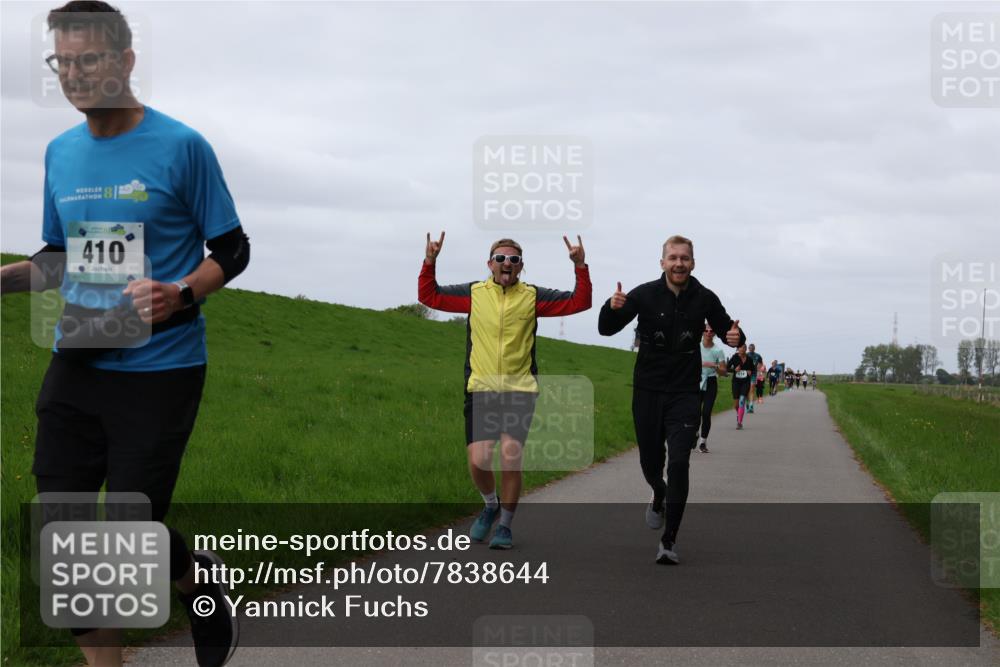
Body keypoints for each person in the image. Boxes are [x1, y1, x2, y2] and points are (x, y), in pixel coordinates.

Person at [0, 4, 249, 666]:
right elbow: (60, 256)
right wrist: (3, 280)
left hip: (161, 370)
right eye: (64, 62)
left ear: (125, 61)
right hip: (78, 361)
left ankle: (197, 578)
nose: (76, 74)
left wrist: (183, 291)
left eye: (90, 59)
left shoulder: (181, 146)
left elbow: (232, 246)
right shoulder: (60, 152)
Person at [418, 233, 591, 549]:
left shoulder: (533, 296)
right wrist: (430, 261)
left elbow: (580, 302)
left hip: (519, 390)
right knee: (479, 460)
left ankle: (506, 527)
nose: (506, 263)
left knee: (511, 458)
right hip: (481, 388)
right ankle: (490, 505)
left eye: (513, 259)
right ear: (490, 264)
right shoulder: (474, 293)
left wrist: (580, 266)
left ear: (521, 266)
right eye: (500, 258)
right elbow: (429, 297)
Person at [598, 235, 744, 565]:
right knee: (651, 464)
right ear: (662, 262)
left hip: (685, 393)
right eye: (673, 258)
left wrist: (737, 338)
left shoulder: (704, 297)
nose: (679, 263)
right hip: (648, 390)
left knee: (679, 462)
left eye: (685, 258)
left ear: (693, 263)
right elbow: (606, 330)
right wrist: (612, 307)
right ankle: (658, 492)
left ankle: (669, 540)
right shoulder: (643, 294)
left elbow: (728, 330)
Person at [696, 323, 728, 453]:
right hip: (696, 381)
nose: (708, 332)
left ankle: (703, 442)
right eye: (706, 330)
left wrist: (714, 366)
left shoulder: (718, 351)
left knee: (706, 412)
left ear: (714, 334)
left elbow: (724, 372)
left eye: (711, 331)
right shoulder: (696, 347)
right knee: (694, 413)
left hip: (710, 382)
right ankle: (694, 434)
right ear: (702, 332)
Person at [727, 344, 756, 430]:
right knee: (736, 404)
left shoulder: (749, 359)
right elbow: (727, 368)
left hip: (746, 382)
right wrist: (734, 370)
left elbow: (753, 369)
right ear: (738, 349)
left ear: (746, 349)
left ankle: (739, 422)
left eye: (744, 348)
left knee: (742, 400)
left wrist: (750, 371)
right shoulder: (734, 357)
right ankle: (738, 413)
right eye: (740, 348)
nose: (742, 349)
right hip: (736, 382)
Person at [745, 343, 763, 412]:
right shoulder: (746, 355)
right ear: (748, 349)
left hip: (753, 374)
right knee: (746, 390)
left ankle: (751, 405)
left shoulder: (757, 356)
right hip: (745, 375)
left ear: (754, 349)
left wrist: (759, 367)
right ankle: (747, 403)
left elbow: (761, 363)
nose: (751, 349)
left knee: (752, 389)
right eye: (750, 348)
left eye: (752, 348)